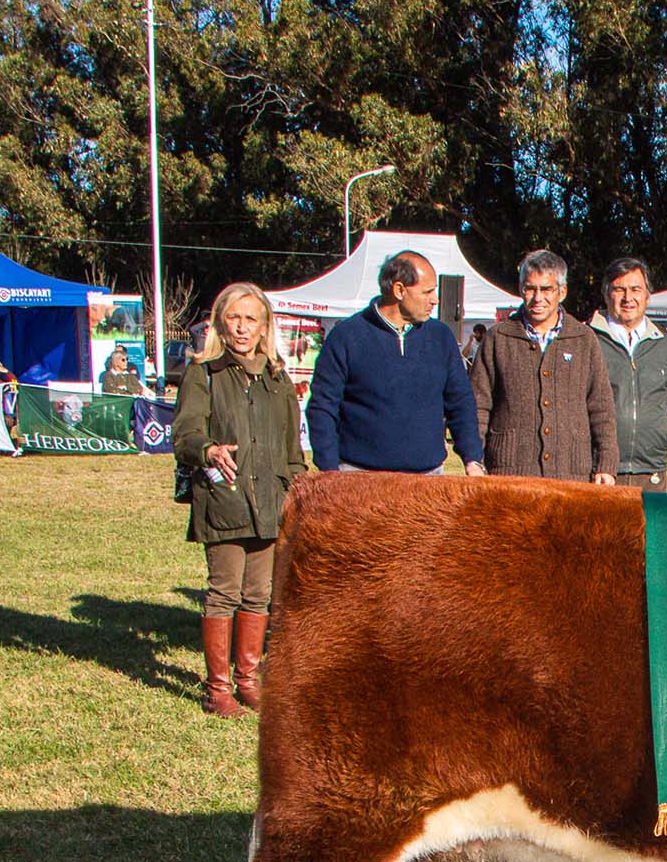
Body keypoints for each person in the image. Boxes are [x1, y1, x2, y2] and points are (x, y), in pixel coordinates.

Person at [170, 282, 308, 717]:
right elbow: (185, 434)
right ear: (220, 323)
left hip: (271, 500)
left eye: (251, 319)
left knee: (259, 595)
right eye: (234, 317)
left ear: (264, 325)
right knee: (223, 592)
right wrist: (207, 449)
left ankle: (248, 681)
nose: (242, 327)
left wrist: (297, 492)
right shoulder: (203, 372)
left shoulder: (277, 377)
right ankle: (218, 688)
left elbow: (292, 450)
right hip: (224, 496)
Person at [306, 250, 485, 475]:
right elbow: (323, 407)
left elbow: (460, 401)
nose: (435, 299)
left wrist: (472, 458)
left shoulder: (441, 337)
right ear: (399, 290)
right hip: (360, 479)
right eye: (427, 291)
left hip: (427, 480)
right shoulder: (346, 336)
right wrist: (330, 471)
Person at [470, 249, 618, 482]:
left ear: (562, 292)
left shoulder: (583, 338)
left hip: (571, 473)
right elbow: (478, 405)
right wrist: (473, 459)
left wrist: (606, 464)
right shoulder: (497, 338)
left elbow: (601, 407)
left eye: (546, 289)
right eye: (530, 289)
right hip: (510, 473)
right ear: (521, 290)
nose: (538, 298)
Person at [588, 256, 667, 491]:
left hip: (651, 472)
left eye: (635, 289)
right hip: (600, 472)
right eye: (619, 289)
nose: (628, 298)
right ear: (606, 293)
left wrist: (656, 433)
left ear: (647, 296)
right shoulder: (587, 341)